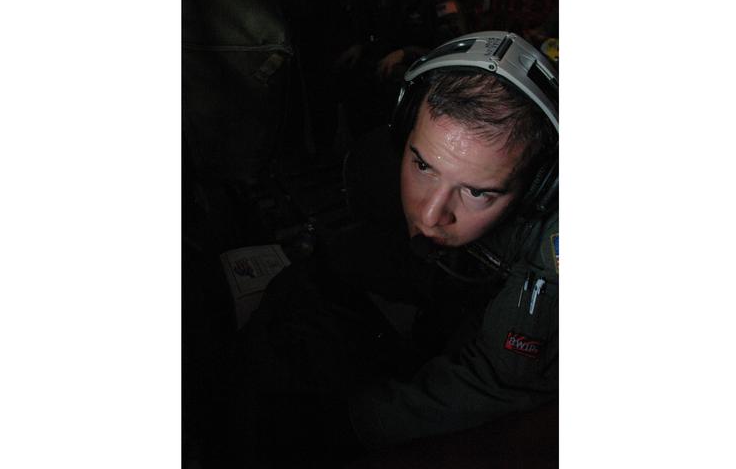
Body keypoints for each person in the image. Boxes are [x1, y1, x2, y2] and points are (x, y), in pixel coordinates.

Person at [225, 32, 558, 467]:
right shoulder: (385, 170)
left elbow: (496, 381)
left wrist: (349, 420)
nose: (431, 212)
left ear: (538, 188)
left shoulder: (554, 246)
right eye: (423, 165)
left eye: (477, 192)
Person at [332, 0, 468, 140]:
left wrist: (405, 54)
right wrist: (363, 47)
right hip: (407, 82)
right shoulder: (390, 2)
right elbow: (385, 40)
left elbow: (455, 48)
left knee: (395, 76)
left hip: (439, 81)